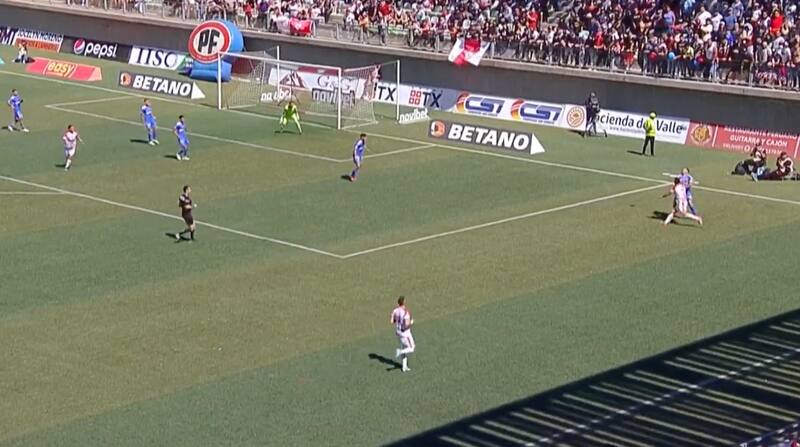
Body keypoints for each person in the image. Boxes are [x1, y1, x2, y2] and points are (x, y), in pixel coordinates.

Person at [390, 296, 414, 373]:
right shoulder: (405, 312)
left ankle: (404, 367)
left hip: (398, 333)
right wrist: (411, 322)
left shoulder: (395, 311)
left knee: (404, 348)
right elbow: (407, 325)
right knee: (412, 348)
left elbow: (392, 321)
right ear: (404, 302)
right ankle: (399, 352)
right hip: (405, 334)